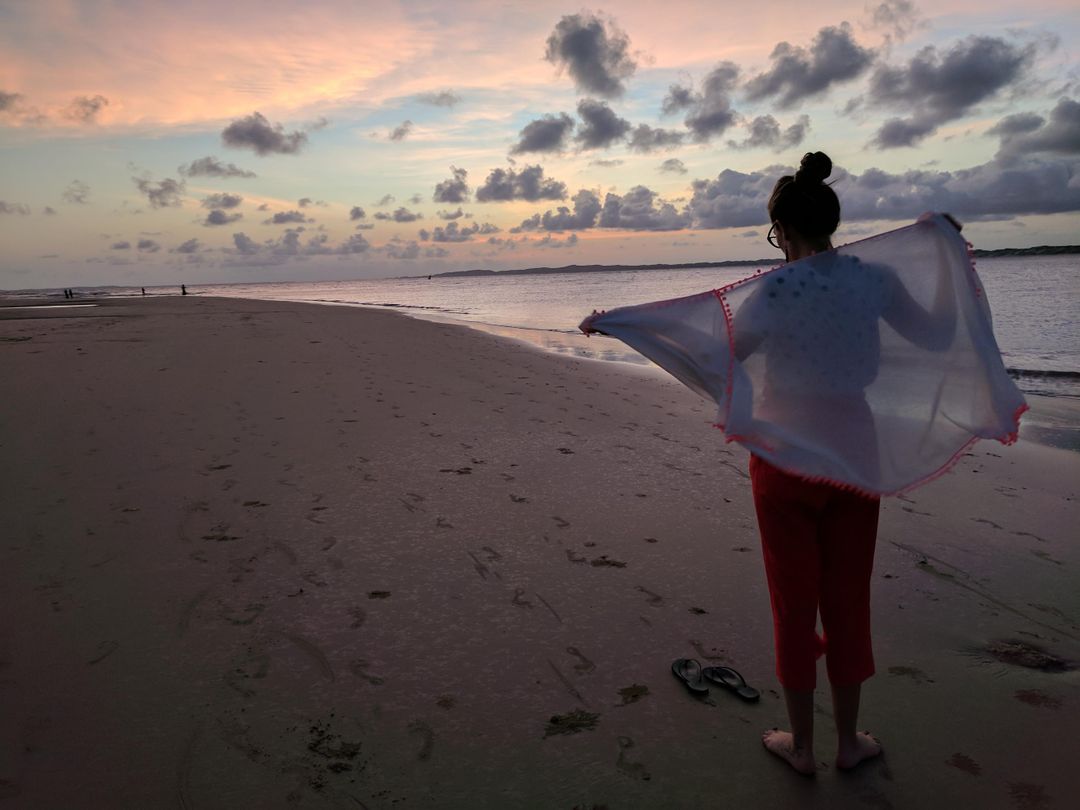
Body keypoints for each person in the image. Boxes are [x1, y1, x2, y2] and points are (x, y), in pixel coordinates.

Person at [741, 151, 958, 775]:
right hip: (854, 452)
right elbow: (939, 336)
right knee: (846, 597)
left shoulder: (774, 287)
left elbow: (726, 351)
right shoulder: (874, 280)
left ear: (781, 231)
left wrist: (628, 324)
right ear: (831, 220)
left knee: (793, 601)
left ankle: (803, 749)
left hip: (784, 456)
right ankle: (847, 743)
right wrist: (945, 260)